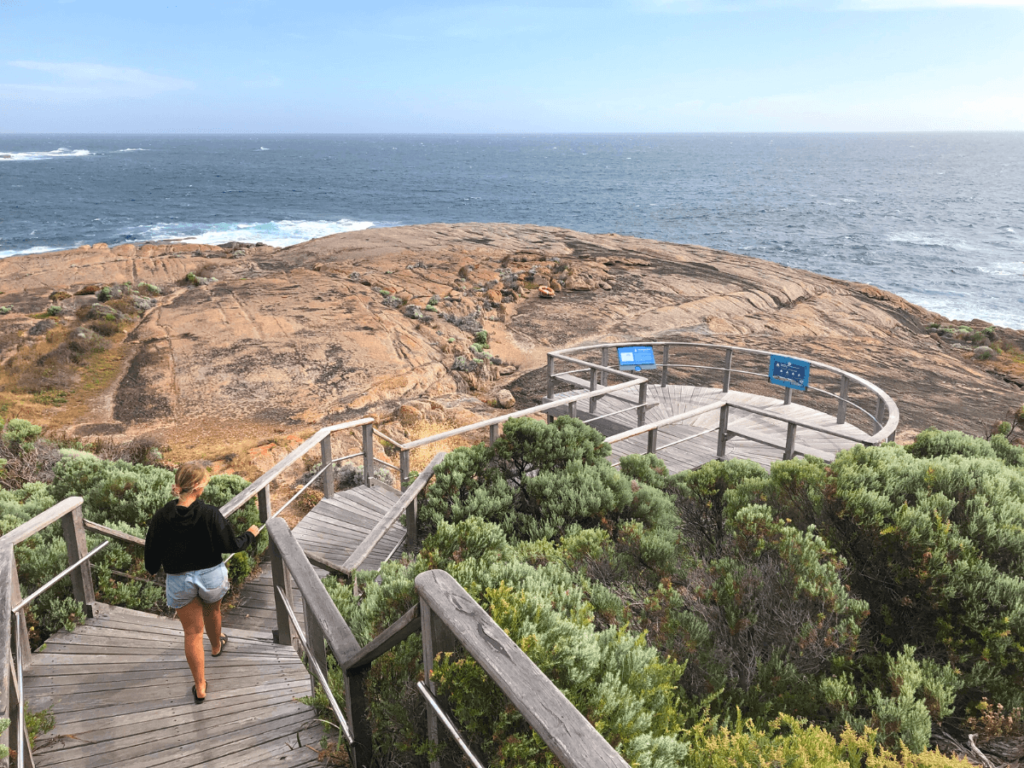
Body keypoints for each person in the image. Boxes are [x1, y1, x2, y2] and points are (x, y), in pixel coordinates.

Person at [145, 463, 259, 704]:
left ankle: (200, 687)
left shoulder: (162, 516)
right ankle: (217, 646)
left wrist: (153, 569)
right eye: (205, 482)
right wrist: (250, 534)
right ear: (197, 487)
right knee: (214, 610)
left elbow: (152, 552)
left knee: (192, 633)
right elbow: (230, 544)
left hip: (179, 579)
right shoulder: (209, 513)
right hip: (210, 575)